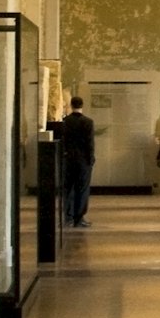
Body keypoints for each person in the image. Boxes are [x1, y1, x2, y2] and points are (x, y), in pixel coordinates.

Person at [61, 94, 96, 227]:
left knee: (68, 188)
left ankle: (68, 217)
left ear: (71, 105)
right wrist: (91, 158)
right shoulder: (88, 122)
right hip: (83, 160)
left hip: (68, 159)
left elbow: (63, 141)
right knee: (82, 189)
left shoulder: (66, 121)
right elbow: (90, 143)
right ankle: (79, 217)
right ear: (82, 105)